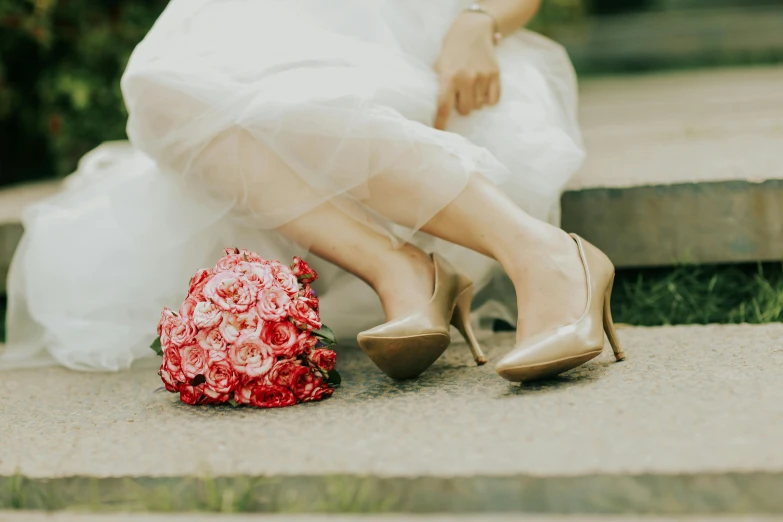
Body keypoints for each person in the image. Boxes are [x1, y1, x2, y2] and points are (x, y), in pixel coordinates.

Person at [2, 0, 625, 380]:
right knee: (159, 81)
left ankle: (542, 254)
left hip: (412, 33)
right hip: (267, 22)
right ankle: (398, 267)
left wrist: (479, 18)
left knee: (304, 94)